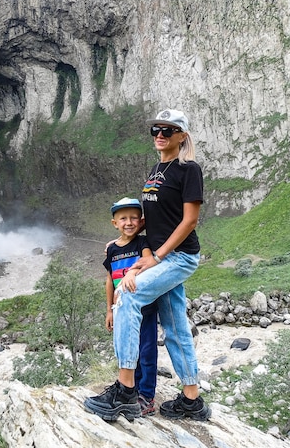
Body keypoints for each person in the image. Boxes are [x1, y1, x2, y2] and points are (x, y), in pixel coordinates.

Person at [84, 108, 211, 422]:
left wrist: (157, 257)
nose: (160, 135)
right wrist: (126, 238)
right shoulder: (157, 170)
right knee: (175, 327)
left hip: (178, 257)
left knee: (127, 297)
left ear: (182, 136)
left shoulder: (188, 169)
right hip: (162, 256)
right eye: (156, 129)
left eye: (168, 130)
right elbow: (155, 216)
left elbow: (189, 220)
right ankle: (191, 400)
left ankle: (126, 391)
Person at [104, 197, 157, 416]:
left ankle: (147, 396)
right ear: (114, 223)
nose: (129, 222)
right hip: (121, 310)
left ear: (141, 221)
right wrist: (109, 309)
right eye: (123, 218)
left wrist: (134, 271)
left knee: (146, 351)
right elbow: (109, 280)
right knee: (127, 349)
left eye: (134, 218)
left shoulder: (142, 243)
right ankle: (129, 390)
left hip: (144, 308)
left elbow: (148, 261)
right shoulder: (112, 250)